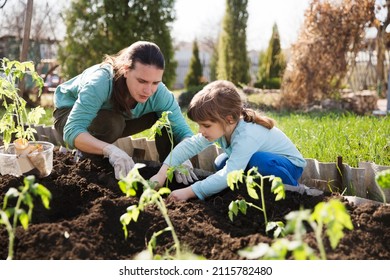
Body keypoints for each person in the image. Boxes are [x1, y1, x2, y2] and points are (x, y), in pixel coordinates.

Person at [53, 41, 198, 183]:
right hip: (68, 116)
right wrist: (110, 150)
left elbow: (185, 133)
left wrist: (180, 156)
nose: (148, 90)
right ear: (126, 70)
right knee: (112, 123)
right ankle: (88, 162)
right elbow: (72, 130)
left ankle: (168, 174)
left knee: (166, 119)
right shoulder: (100, 82)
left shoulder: (160, 94)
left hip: (119, 118)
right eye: (142, 81)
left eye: (155, 83)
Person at [150, 80, 307, 201]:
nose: (200, 131)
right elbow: (190, 145)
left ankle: (296, 189)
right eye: (199, 125)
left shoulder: (247, 134)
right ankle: (252, 185)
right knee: (220, 163)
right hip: (258, 159)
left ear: (229, 119)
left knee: (256, 161)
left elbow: (229, 174)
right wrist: (162, 174)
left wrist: (189, 192)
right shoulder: (223, 127)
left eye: (205, 125)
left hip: (289, 165)